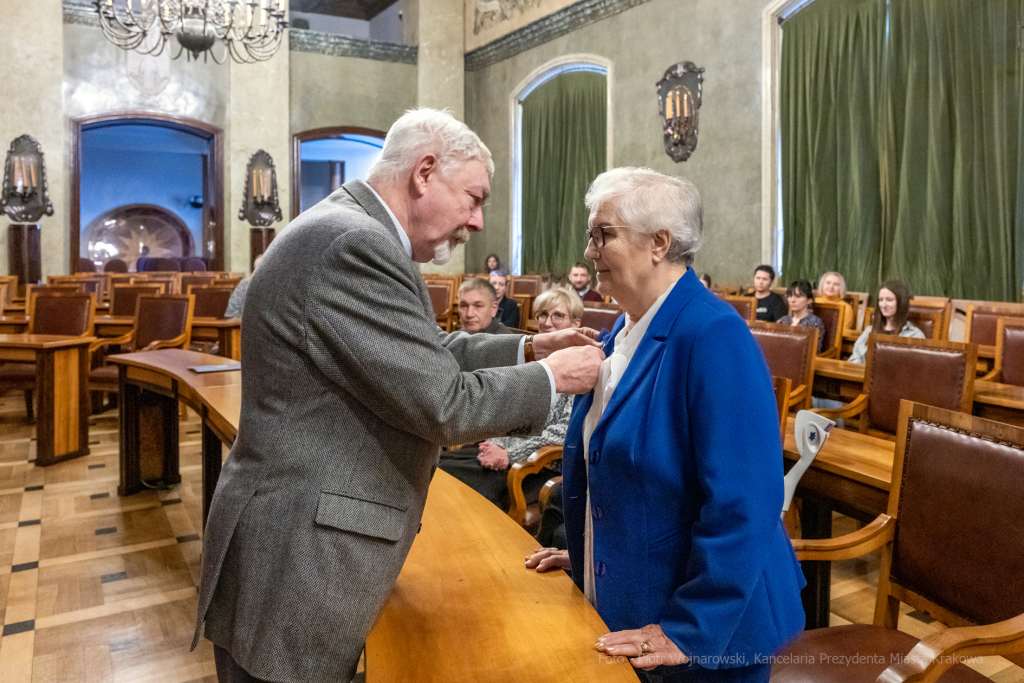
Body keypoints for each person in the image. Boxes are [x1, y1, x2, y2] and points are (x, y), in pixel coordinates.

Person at [193, 108, 605, 683]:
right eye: (473, 197)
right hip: (300, 556)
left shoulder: (353, 228)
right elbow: (444, 403)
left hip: (293, 536)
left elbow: (421, 352)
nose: (477, 221)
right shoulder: (354, 244)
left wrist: (530, 349)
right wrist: (553, 376)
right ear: (425, 172)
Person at [525, 168, 805, 683]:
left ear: (659, 243)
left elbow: (745, 502)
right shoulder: (622, 330)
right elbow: (633, 476)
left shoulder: (714, 334)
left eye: (602, 234)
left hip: (711, 637)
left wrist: (691, 629)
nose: (589, 252)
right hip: (637, 600)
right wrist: (592, 548)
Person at [440, 287, 584, 508]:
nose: (548, 322)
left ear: (575, 323)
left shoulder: (579, 367)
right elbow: (507, 407)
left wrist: (509, 452)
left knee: (454, 492)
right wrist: (495, 443)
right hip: (502, 450)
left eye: (558, 315)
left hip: (536, 465)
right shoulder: (531, 357)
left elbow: (564, 431)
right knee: (440, 467)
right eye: (543, 315)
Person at [848, 280, 924, 364]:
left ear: (901, 302)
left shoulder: (915, 335)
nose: (883, 305)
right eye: (880, 300)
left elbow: (917, 368)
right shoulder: (869, 331)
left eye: (889, 300)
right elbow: (854, 359)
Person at [777, 279, 827, 353]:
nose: (792, 300)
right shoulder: (783, 320)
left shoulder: (815, 322)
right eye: (790, 296)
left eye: (798, 296)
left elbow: (814, 351)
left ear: (809, 300)